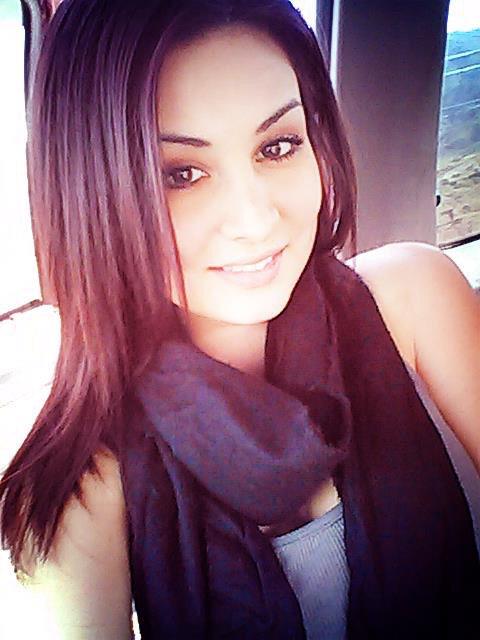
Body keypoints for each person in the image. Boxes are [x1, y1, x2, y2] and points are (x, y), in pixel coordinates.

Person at [1, 0, 479, 638]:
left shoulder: (414, 298)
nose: (255, 221)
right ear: (95, 195)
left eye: (278, 146)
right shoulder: (86, 487)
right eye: (181, 174)